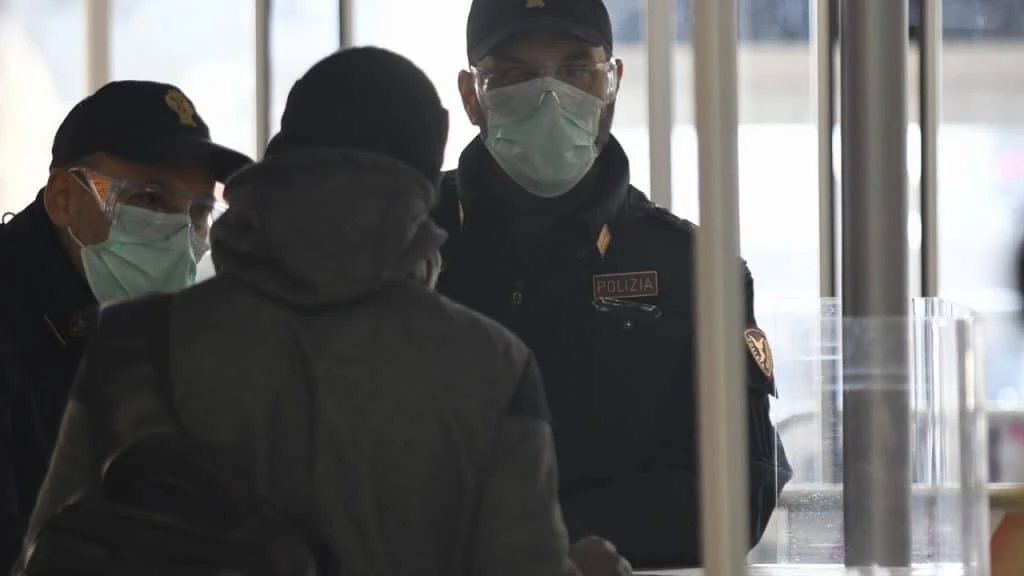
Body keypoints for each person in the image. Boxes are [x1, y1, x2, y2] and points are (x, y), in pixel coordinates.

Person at [13, 48, 630, 576]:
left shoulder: (135, 342)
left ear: (281, 163)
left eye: (198, 208)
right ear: (421, 190)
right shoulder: (491, 367)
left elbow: (53, 552)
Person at [432, 0, 793, 568]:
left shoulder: (691, 269)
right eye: (515, 75)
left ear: (613, 82)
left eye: (577, 71)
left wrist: (543, 542)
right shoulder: (411, 244)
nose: (550, 98)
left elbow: (738, 491)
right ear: (471, 94)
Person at [0, 80, 251, 571]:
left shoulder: (153, 340)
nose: (183, 235)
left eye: (200, 212)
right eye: (152, 200)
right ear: (62, 199)